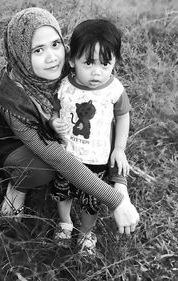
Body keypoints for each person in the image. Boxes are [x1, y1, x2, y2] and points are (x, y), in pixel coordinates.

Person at [0, 7, 139, 239]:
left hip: (61, 136)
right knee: (42, 168)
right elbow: (53, 154)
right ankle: (18, 186)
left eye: (55, 44)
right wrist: (116, 201)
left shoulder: (74, 68)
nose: (52, 57)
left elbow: (107, 116)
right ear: (21, 53)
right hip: (19, 146)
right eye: (38, 50)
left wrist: (119, 180)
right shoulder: (12, 93)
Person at [48, 19, 131, 255]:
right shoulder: (64, 86)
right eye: (89, 63)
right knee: (63, 193)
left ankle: (86, 231)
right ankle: (65, 223)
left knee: (90, 201)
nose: (97, 72)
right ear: (72, 60)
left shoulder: (114, 89)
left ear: (115, 62)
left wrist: (119, 149)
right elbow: (55, 109)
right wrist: (54, 121)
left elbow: (123, 116)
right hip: (67, 156)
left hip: (97, 160)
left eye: (106, 64)